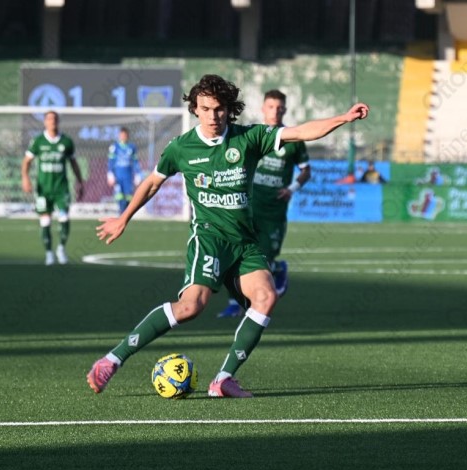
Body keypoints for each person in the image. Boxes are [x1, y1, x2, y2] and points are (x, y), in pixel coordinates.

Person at [86, 74, 369, 398]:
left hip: (245, 241)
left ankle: (222, 379)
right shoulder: (181, 147)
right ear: (195, 109)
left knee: (266, 297)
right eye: (205, 109)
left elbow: (301, 131)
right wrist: (124, 218)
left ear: (229, 109)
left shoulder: (249, 137)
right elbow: (152, 182)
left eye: (219, 109)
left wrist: (343, 118)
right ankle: (112, 360)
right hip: (210, 237)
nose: (213, 116)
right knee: (191, 306)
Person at [217, 89, 312, 318]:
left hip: (274, 211)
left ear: (285, 110)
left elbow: (306, 171)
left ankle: (277, 268)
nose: (275, 111)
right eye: (271, 107)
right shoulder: (253, 135)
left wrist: (291, 189)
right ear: (263, 108)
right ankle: (234, 303)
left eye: (279, 108)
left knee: (264, 260)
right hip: (247, 207)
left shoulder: (292, 140)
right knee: (235, 254)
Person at [21, 110, 84, 265]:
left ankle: (61, 248)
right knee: (45, 221)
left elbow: (73, 163)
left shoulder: (66, 142)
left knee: (64, 218)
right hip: (43, 189)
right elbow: (27, 161)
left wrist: (80, 182)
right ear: (45, 122)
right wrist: (25, 178)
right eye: (49, 119)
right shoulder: (38, 141)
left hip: (61, 189)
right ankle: (49, 253)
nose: (52, 121)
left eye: (54, 118)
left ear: (58, 121)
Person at [107, 127, 142, 214]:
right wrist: (110, 174)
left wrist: (138, 174)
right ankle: (121, 213)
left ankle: (124, 213)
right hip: (118, 176)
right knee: (119, 195)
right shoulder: (114, 147)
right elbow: (111, 162)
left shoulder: (131, 147)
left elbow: (135, 162)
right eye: (121, 135)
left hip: (128, 176)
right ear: (119, 136)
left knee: (128, 196)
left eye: (125, 135)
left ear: (127, 136)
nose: (123, 137)